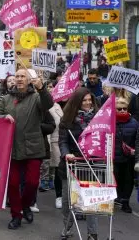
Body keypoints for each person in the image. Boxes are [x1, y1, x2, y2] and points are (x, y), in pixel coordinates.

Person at [0, 69, 53, 230]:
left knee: (32, 182)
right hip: (12, 147)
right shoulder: (5, 99)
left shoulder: (36, 97)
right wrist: (3, 117)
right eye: (17, 76)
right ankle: (16, 215)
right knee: (13, 184)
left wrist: (42, 88)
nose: (19, 79)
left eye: (22, 77)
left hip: (33, 147)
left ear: (28, 80)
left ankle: (25, 205)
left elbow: (48, 104)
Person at [58, 88, 99, 239]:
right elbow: (62, 141)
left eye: (90, 100)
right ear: (77, 102)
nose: (88, 103)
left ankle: (92, 233)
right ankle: (67, 229)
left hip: (92, 164)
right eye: (84, 100)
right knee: (68, 201)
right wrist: (66, 153)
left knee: (91, 200)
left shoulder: (99, 118)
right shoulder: (67, 120)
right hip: (72, 165)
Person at [113, 97, 138, 213]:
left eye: (124, 108)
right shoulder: (110, 121)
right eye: (119, 109)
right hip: (114, 156)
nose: (123, 110)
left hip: (128, 157)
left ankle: (125, 202)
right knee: (114, 179)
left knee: (128, 181)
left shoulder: (134, 123)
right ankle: (113, 199)